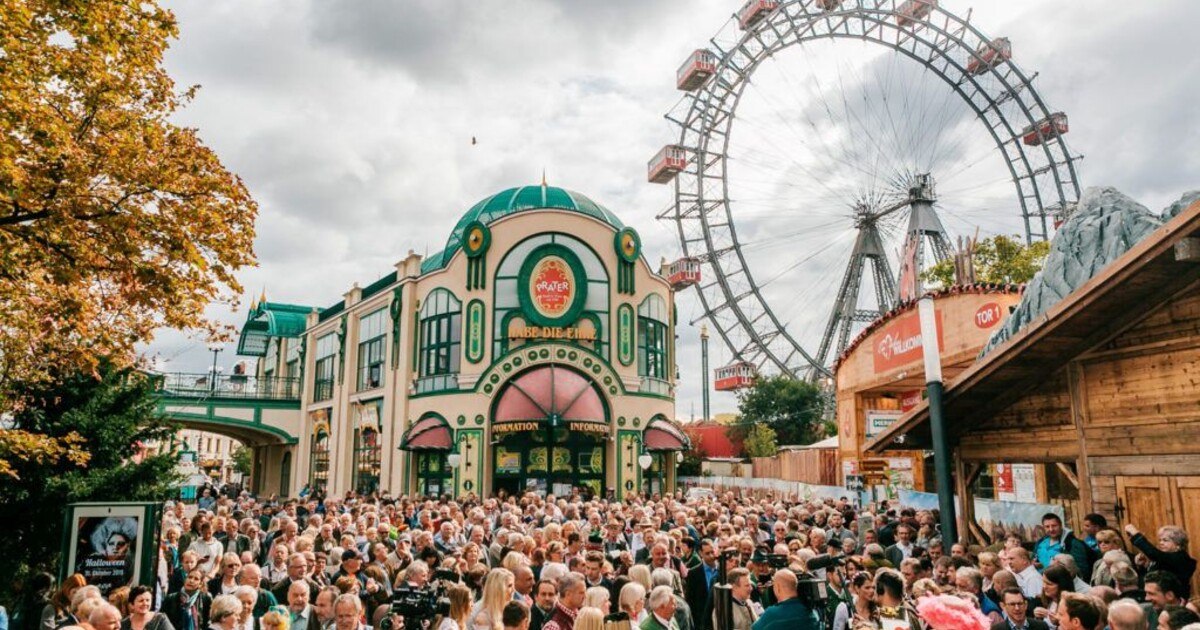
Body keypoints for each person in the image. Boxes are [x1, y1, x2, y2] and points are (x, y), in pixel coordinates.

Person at [1125, 524, 1197, 590]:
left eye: (1165, 540)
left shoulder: (1181, 558)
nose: (1161, 543)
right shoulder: (1165, 558)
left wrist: (1136, 534)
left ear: (1178, 544)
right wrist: (1144, 566)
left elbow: (1153, 554)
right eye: (1160, 540)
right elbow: (1150, 580)